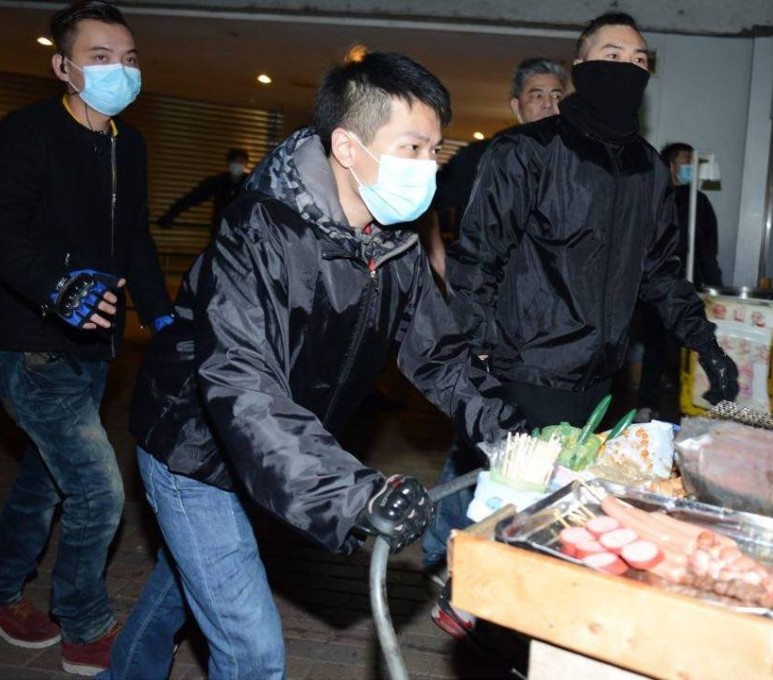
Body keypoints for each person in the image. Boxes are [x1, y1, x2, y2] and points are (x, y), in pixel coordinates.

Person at [102, 51, 523, 679]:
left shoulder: (394, 241)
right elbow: (242, 387)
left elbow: (438, 355)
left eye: (435, 150)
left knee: (182, 590)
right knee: (252, 652)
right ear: (349, 147)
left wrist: (511, 434)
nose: (428, 168)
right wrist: (353, 494)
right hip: (193, 446)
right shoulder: (259, 232)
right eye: (412, 147)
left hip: (276, 455)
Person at [427, 12, 739, 592]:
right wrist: (482, 368)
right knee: (509, 521)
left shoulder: (648, 169)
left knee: (564, 529)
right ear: (582, 69)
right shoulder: (525, 152)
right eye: (613, 56)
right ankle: (468, 599)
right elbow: (476, 265)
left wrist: (706, 342)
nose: (630, 68)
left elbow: (661, 272)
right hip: (521, 373)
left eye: (640, 61)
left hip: (598, 381)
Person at [0, 1, 174, 675]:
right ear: (62, 66)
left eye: (128, 59)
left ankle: (5, 590)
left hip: (93, 351)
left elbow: (134, 238)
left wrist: (162, 317)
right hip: (31, 346)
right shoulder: (26, 134)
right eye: (100, 58)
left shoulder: (126, 143)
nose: (118, 71)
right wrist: (55, 287)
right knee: (100, 490)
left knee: (44, 483)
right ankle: (85, 623)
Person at [422, 57, 568, 281]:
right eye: (537, 95)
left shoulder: (578, 163)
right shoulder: (481, 157)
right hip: (492, 293)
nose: (549, 103)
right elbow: (426, 203)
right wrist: (441, 265)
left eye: (557, 96)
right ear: (516, 106)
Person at [636, 141, 725, 419]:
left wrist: (712, 284)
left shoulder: (699, 203)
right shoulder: (655, 198)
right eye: (686, 161)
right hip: (657, 286)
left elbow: (707, 247)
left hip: (691, 284)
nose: (690, 167)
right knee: (656, 346)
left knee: (685, 348)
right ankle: (646, 403)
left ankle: (687, 403)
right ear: (671, 165)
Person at [156, 148, 249, 233]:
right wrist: (170, 214)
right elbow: (192, 198)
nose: (237, 164)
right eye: (234, 161)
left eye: (240, 162)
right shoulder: (218, 182)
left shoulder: (250, 185)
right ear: (229, 162)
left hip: (243, 234)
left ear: (245, 164)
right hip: (220, 232)